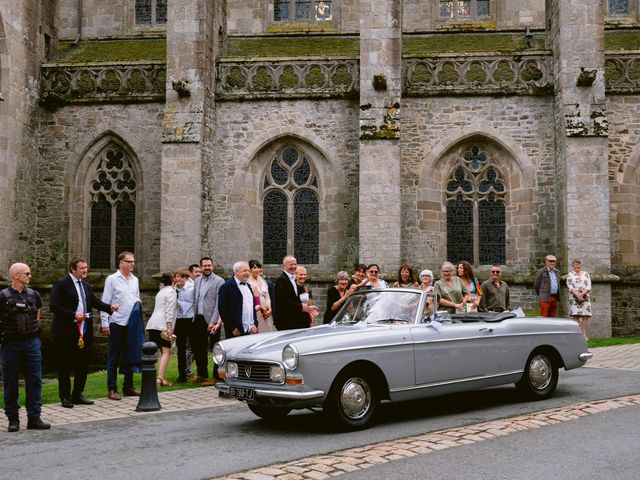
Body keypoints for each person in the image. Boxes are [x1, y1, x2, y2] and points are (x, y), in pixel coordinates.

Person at [50, 257, 118, 408]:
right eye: (82, 268)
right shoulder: (61, 284)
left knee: (83, 363)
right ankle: (65, 396)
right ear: (72, 269)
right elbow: (54, 306)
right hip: (66, 330)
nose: (85, 270)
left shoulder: (86, 285)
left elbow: (93, 302)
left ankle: (77, 394)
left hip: (84, 330)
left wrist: (109, 307)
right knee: (65, 364)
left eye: (86, 267)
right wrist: (72, 315)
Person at [0, 263, 50, 432]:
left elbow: (37, 315)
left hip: (32, 343)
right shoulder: (3, 296)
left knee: (35, 380)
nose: (30, 276)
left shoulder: (34, 295)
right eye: (26, 273)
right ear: (16, 275)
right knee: (10, 381)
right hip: (11, 344)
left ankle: (34, 418)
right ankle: (13, 419)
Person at [100, 251, 144, 401]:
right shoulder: (112, 279)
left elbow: (135, 296)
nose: (132, 264)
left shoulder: (135, 280)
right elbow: (106, 301)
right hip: (117, 322)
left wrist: (138, 303)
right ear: (121, 263)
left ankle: (128, 386)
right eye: (129, 261)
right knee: (114, 356)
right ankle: (112, 388)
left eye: (133, 261)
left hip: (131, 323)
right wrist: (105, 322)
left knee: (130, 354)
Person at [192, 256, 224, 383]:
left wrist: (214, 321)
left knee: (215, 348)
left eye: (209, 265)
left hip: (212, 319)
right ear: (200, 267)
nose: (207, 268)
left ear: (213, 266)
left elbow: (218, 303)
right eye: (204, 266)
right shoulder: (197, 280)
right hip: (199, 318)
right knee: (199, 348)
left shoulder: (219, 281)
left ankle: (216, 376)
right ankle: (202, 374)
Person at [146, 272, 177, 387]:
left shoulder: (161, 292)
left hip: (152, 324)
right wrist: (169, 326)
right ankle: (160, 378)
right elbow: (169, 310)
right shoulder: (171, 292)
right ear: (173, 279)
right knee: (166, 351)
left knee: (156, 352)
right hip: (161, 325)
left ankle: (154, 377)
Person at [274, 256, 318, 330]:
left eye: (295, 264)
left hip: (295, 321)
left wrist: (308, 308)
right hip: (286, 322)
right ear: (284, 266)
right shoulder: (281, 280)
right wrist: (302, 307)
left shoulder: (293, 279)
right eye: (291, 264)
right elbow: (284, 301)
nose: (293, 266)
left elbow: (296, 299)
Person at [218, 261, 259, 338]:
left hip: (249, 330)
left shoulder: (249, 286)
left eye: (248, 271)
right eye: (244, 271)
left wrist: (254, 324)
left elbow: (251, 307)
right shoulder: (226, 287)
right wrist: (232, 327)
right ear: (236, 272)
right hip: (235, 331)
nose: (247, 273)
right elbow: (222, 310)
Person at [173, 268, 195, 383]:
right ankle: (182, 375)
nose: (178, 279)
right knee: (180, 349)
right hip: (179, 320)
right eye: (176, 277)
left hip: (190, 320)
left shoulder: (192, 288)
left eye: (181, 277)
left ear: (186, 278)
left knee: (195, 347)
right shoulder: (173, 290)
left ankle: (197, 372)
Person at [566, 259, 592, 340]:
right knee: (576, 315)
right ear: (572, 266)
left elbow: (589, 286)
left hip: (585, 298)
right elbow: (570, 286)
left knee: (586, 316)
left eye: (578, 265)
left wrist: (582, 294)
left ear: (580, 265)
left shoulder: (586, 274)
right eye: (575, 265)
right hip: (575, 298)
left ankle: (584, 334)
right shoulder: (570, 275)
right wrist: (578, 295)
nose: (577, 266)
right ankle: (578, 334)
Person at [247, 259, 275, 333]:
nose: (257, 270)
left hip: (266, 312)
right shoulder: (248, 282)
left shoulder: (263, 281)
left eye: (259, 267)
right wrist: (260, 309)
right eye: (254, 268)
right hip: (257, 312)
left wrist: (269, 308)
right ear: (250, 269)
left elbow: (267, 296)